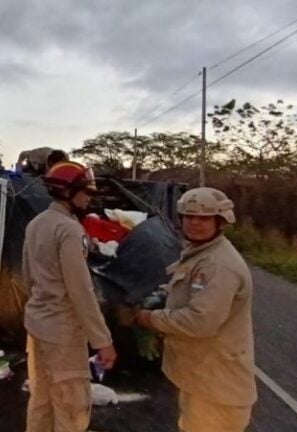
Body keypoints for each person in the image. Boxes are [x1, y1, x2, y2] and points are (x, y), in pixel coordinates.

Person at [135, 187, 257, 432]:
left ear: (220, 222)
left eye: (203, 218)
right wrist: (161, 296)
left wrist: (150, 319)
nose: (194, 223)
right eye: (189, 217)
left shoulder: (219, 265)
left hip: (217, 388)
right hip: (202, 380)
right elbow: (184, 287)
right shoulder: (200, 253)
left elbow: (199, 322)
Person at [23, 161, 116, 432]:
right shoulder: (70, 229)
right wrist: (102, 341)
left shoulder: (36, 224)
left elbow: (29, 277)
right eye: (85, 192)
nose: (89, 198)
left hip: (38, 327)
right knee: (72, 409)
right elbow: (80, 291)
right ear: (69, 192)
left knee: (41, 402)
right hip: (63, 334)